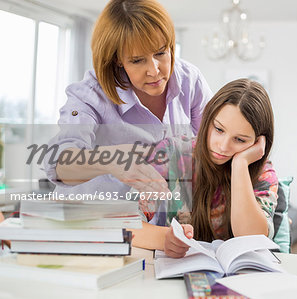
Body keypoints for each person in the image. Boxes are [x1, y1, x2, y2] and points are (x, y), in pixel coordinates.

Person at [44, 0, 212, 196]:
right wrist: (110, 160)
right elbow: (59, 163)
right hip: (91, 218)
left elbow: (214, 142)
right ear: (117, 59)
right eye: (137, 60)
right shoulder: (90, 95)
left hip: (157, 220)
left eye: (161, 53)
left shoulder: (189, 80)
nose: (154, 70)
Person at [131, 78, 278, 258]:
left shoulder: (263, 173)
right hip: (180, 270)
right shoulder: (172, 153)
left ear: (258, 142)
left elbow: (252, 239)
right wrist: (165, 239)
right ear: (207, 118)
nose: (223, 146)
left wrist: (240, 165)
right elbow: (126, 221)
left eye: (240, 140)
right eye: (219, 129)